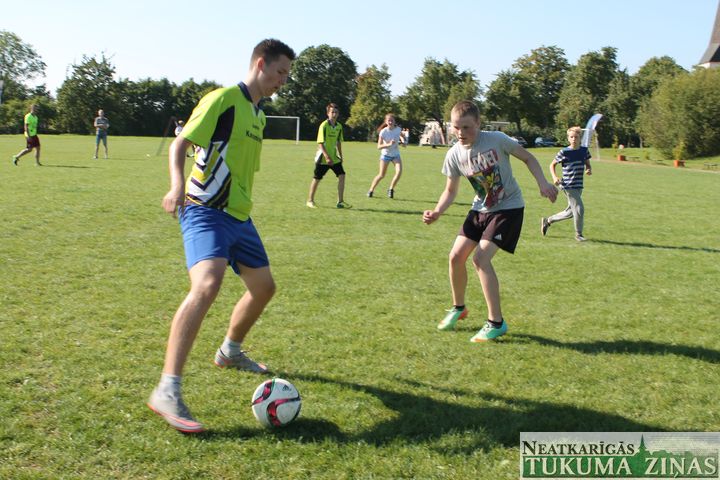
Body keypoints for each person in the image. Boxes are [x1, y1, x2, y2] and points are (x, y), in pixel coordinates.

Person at [147, 38, 296, 434]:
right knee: (207, 285)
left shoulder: (258, 115)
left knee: (264, 288)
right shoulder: (223, 99)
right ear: (261, 64)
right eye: (280, 72)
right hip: (204, 210)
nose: (283, 80)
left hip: (239, 217)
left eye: (287, 74)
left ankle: (229, 351)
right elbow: (180, 144)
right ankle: (167, 390)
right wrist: (176, 186)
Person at [422, 100, 558, 342]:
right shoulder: (454, 154)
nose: (461, 133)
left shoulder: (496, 139)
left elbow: (528, 158)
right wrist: (437, 212)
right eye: (456, 127)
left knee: (480, 259)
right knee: (455, 257)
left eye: (466, 127)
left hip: (508, 208)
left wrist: (543, 183)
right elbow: (450, 191)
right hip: (480, 209)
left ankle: (496, 322)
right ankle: (458, 308)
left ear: (478, 123)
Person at [541, 126, 592, 242]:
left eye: (576, 137)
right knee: (579, 208)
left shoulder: (584, 151)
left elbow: (587, 163)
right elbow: (552, 165)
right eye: (571, 137)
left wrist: (588, 169)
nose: (574, 139)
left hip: (578, 185)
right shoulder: (564, 152)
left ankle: (548, 221)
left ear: (580, 138)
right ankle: (578, 235)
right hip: (567, 185)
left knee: (570, 212)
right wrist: (555, 177)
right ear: (568, 138)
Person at [306, 103, 351, 209]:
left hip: (334, 157)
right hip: (323, 157)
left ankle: (340, 202)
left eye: (336, 112)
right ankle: (310, 201)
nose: (334, 114)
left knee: (342, 175)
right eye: (332, 112)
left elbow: (338, 142)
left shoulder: (339, 127)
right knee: (317, 178)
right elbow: (320, 142)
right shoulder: (324, 125)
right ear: (328, 113)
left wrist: (340, 155)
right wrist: (326, 157)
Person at [367, 113, 403, 199]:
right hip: (385, 155)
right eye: (389, 120)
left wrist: (403, 142)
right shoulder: (383, 132)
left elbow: (401, 136)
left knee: (399, 172)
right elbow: (379, 146)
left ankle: (391, 189)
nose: (390, 122)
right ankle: (371, 190)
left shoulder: (398, 129)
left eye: (392, 120)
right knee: (381, 175)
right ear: (386, 122)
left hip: (395, 155)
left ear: (394, 121)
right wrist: (388, 144)